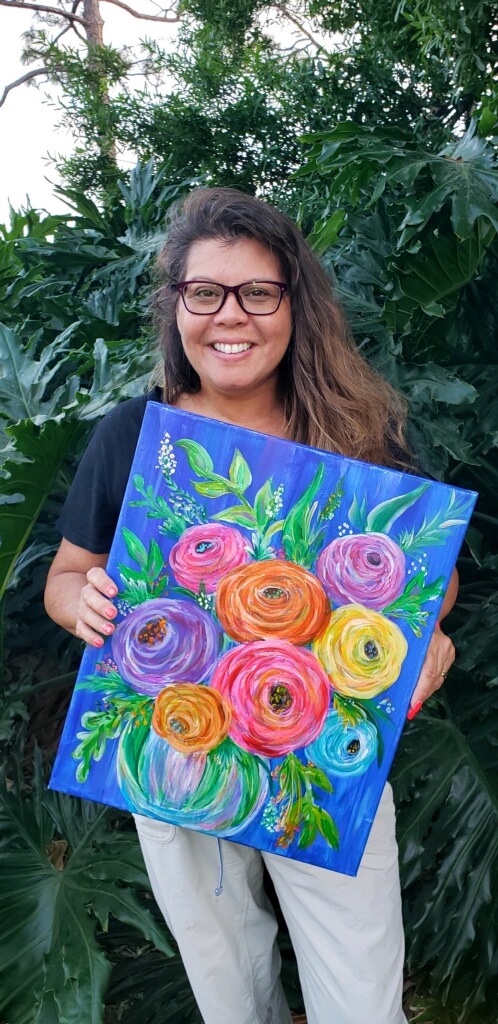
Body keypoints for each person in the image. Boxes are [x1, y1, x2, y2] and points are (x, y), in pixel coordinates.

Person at [44, 187, 457, 1024]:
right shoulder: (134, 433)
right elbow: (67, 574)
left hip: (328, 762)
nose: (230, 315)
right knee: (229, 991)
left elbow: (427, 567)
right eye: (205, 292)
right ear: (176, 307)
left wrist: (433, 628)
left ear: (294, 306)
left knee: (363, 997)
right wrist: (79, 603)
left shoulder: (352, 427)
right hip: (176, 754)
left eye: (258, 292)